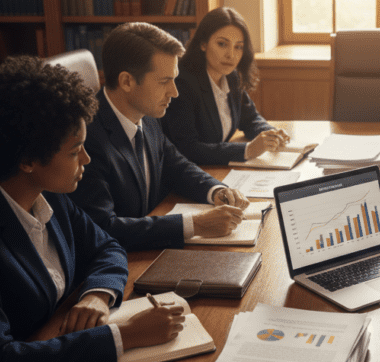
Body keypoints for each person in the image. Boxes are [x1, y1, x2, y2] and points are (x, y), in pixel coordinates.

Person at [0, 56, 186, 362]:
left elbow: (107, 247)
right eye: (75, 150)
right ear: (28, 160)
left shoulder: (47, 196)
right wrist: (123, 335)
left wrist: (97, 295)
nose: (87, 160)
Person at [70, 22, 248, 252]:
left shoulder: (147, 112)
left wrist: (216, 190)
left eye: (174, 79)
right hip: (118, 262)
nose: (174, 92)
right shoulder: (87, 139)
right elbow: (103, 227)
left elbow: (175, 164)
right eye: (164, 81)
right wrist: (194, 225)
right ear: (127, 82)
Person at [161, 6, 290, 165]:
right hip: (188, 172)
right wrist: (248, 150)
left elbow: (250, 119)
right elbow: (187, 148)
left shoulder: (232, 77)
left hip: (216, 167)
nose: (231, 55)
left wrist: (270, 134)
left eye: (238, 46)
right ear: (203, 44)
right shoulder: (183, 83)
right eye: (222, 44)